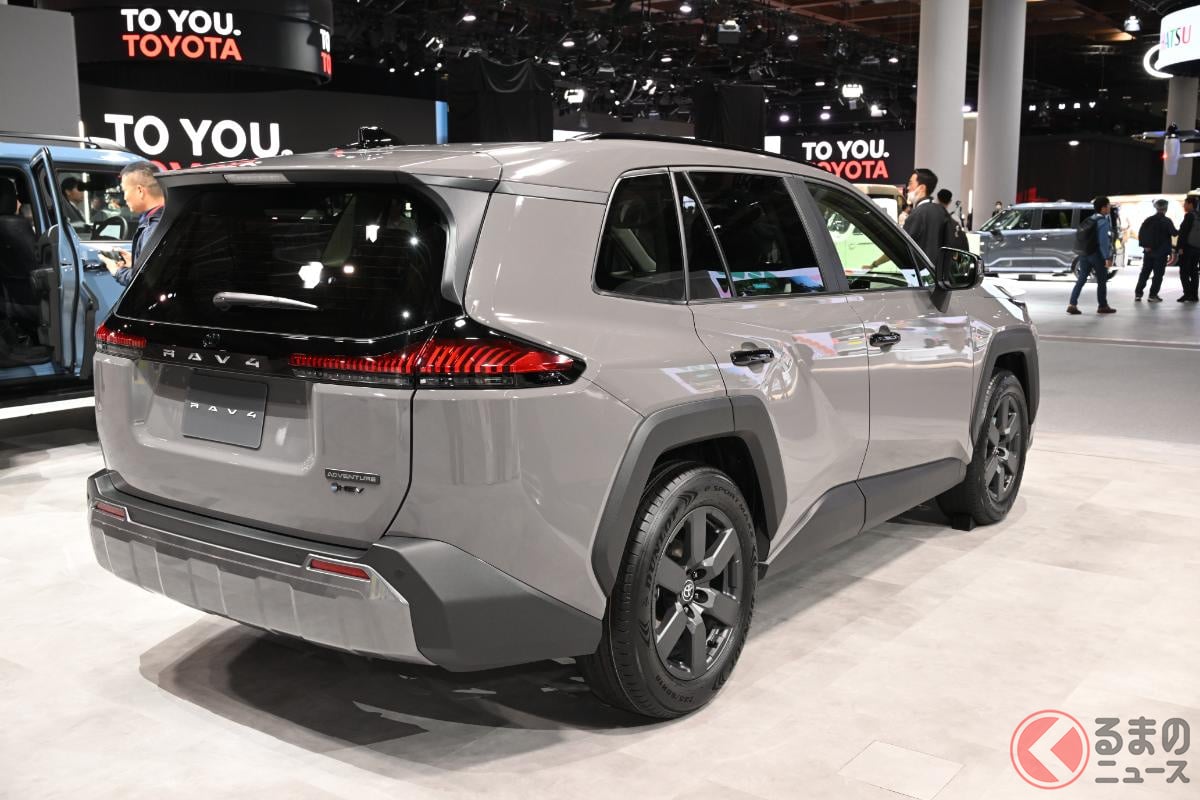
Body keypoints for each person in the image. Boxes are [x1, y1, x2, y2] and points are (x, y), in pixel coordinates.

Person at [99, 161, 164, 287]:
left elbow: (145, 281)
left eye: (125, 191)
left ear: (140, 190)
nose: (124, 198)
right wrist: (136, 262)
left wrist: (117, 271)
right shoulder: (167, 218)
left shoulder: (153, 228)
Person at [1067, 196, 1116, 315]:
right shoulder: (1103, 221)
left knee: (1082, 279)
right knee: (1102, 280)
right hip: (1097, 255)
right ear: (1103, 208)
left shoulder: (1090, 219)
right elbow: (1103, 242)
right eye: (1108, 205)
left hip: (1085, 253)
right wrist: (1107, 257)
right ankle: (1102, 306)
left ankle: (1072, 304)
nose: (1109, 207)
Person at [1134, 199, 1177, 303]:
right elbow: (1174, 233)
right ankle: (1152, 296)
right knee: (1158, 275)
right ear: (1166, 208)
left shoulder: (1148, 220)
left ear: (1156, 208)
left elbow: (1141, 234)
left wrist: (1145, 246)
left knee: (1144, 273)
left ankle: (1138, 294)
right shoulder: (1167, 221)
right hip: (1161, 253)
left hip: (1148, 252)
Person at [903, 168, 945, 265]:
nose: (908, 188)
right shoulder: (942, 212)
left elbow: (901, 245)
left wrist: (875, 263)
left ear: (921, 188)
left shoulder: (918, 213)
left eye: (911, 183)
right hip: (938, 270)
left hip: (919, 270)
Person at [1174, 195, 1200, 303]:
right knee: (1194, 271)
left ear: (1190, 204)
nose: (1184, 206)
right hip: (1197, 248)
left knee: (1184, 272)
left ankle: (1187, 294)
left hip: (1187, 248)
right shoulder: (1198, 215)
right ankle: (1194, 295)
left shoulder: (1189, 216)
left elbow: (1183, 233)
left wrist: (1179, 247)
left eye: (1185, 204)